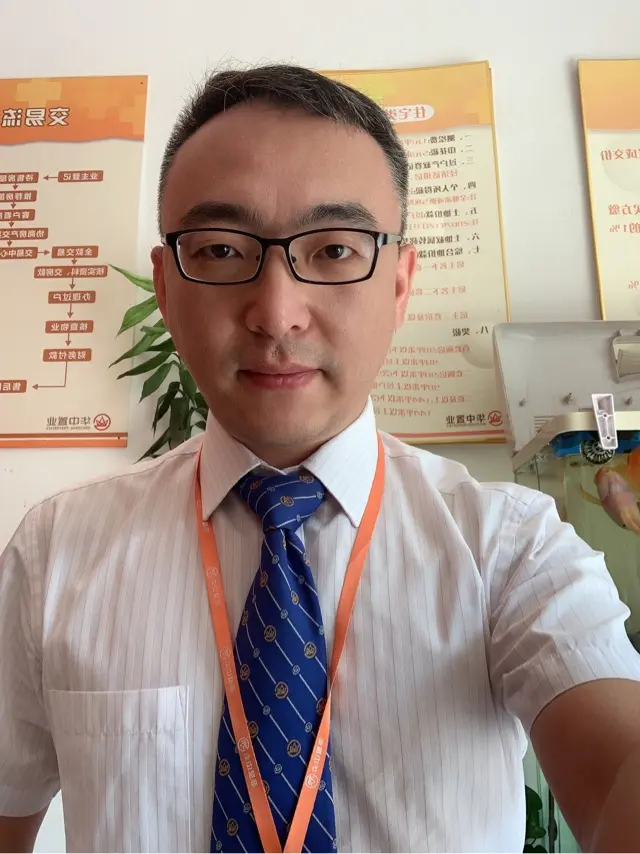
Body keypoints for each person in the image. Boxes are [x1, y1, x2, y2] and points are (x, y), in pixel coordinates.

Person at [1, 64, 640, 854]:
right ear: (166, 288)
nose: (276, 313)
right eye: (222, 249)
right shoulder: (57, 552)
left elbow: (616, 763)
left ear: (400, 284)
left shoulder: (509, 548)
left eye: (335, 249)